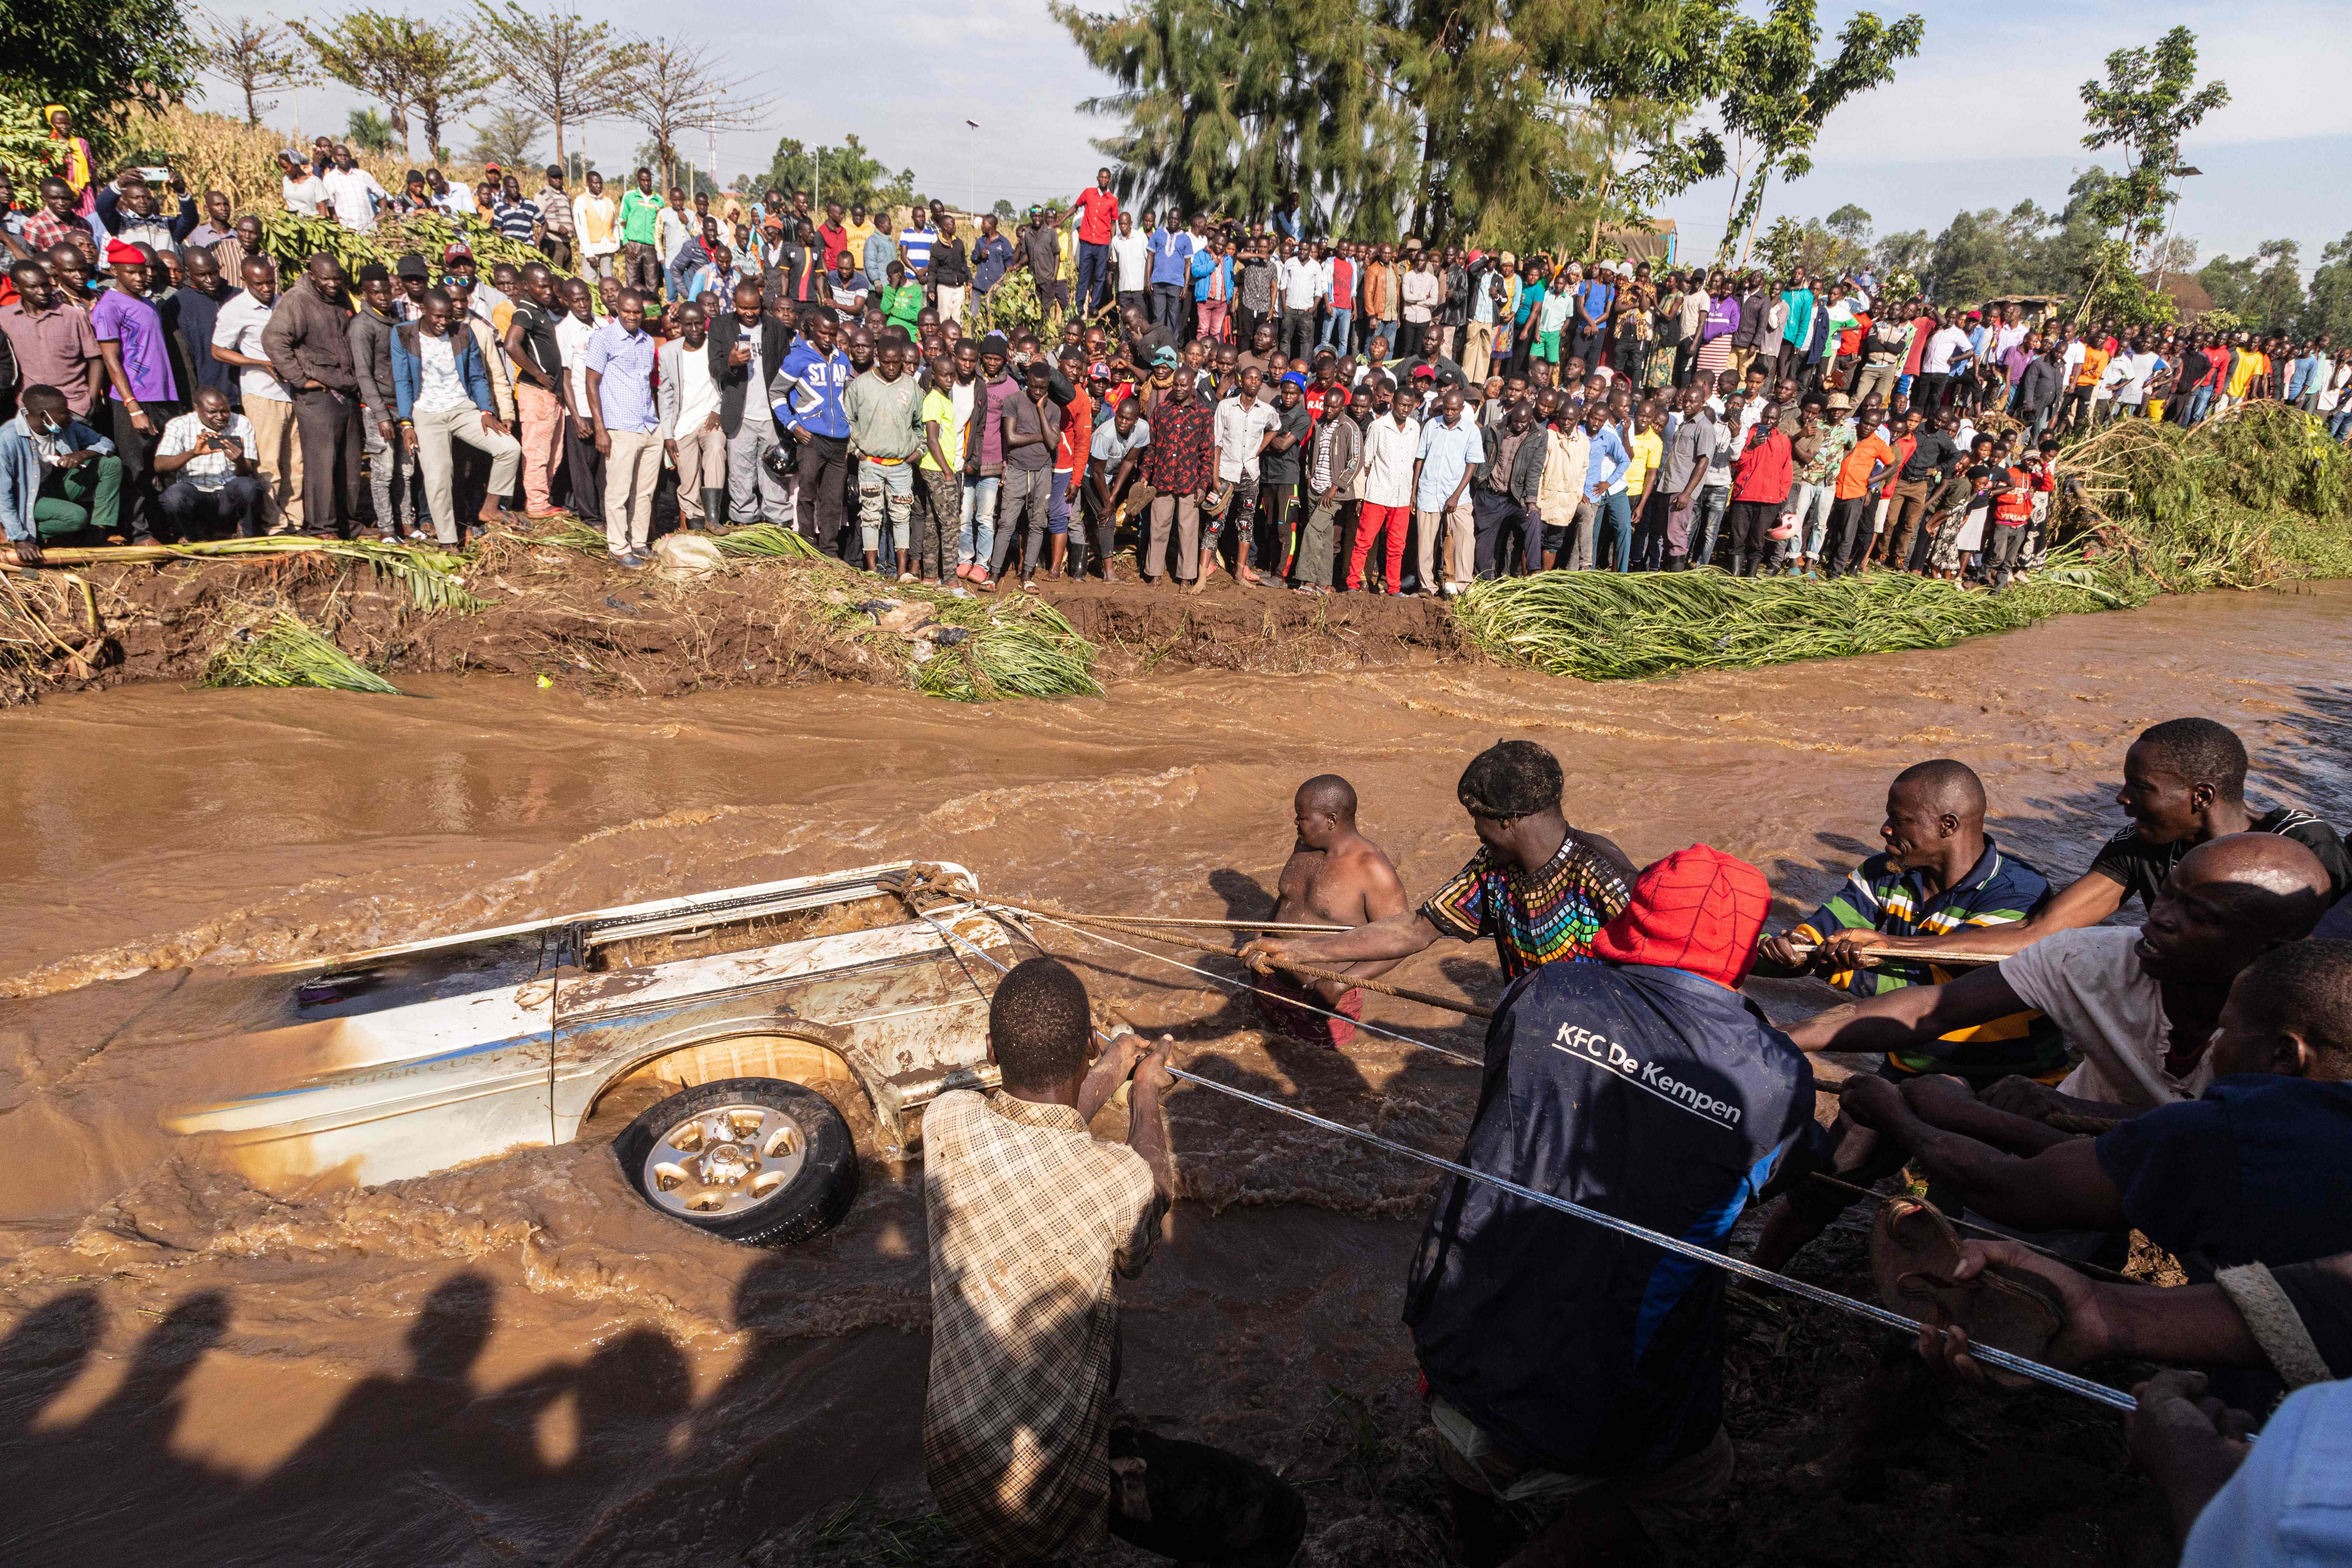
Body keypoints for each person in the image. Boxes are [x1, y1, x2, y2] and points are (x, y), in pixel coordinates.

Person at [1408, 845, 1813, 1568]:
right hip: (1609, 1401)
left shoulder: (1541, 992)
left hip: (1456, 1334)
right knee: (1700, 1474)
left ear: (1635, 914)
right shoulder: (1777, 1075)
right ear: (1746, 945)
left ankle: (1475, 1536)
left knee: (1468, 1415)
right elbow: (1787, 1171)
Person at [922, 956, 1304, 1566]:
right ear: (1082, 1049)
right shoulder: (1115, 1185)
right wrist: (1145, 1091)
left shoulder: (946, 1119)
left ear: (991, 1049)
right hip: (1042, 1490)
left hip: (952, 1458)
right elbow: (1149, 1192)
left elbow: (1041, 1127)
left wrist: (1105, 1069)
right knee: (1279, 1517)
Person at [1872, 718, 2352, 964]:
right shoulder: (2140, 846)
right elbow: (2036, 934)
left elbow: (2313, 965)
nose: (2121, 799)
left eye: (2140, 789)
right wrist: (1891, 947)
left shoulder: (2302, 845)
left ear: (2200, 796)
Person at [1245, 740, 1635, 987]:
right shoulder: (1492, 870)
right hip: (1525, 1032)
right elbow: (1415, 930)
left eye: (1477, 819)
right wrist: (1300, 951)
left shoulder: (1602, 875)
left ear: (1508, 818)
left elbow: (1661, 979)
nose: (1476, 832)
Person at [1246, 776, 1409, 1048]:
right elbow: (1286, 900)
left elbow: (1401, 941)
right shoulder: (1304, 845)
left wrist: (1339, 984)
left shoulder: (1371, 869)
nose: (1296, 823)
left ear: (1331, 821)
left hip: (1324, 1002)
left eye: (1302, 817)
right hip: (1269, 980)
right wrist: (1258, 938)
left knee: (1317, 1076)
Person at [391, 287, 520, 547]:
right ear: (424, 311)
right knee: (439, 476)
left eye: (448, 317)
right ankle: (449, 541)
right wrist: (406, 423)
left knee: (510, 448)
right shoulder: (403, 334)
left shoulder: (463, 332)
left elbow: (476, 376)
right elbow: (402, 380)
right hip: (426, 413)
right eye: (438, 317)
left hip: (463, 408)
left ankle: (491, 508)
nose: (444, 323)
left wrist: (486, 411)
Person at [260, 253, 364, 539]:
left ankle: (348, 524)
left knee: (350, 463)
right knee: (322, 464)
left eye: (337, 279)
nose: (333, 284)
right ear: (313, 276)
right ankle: (323, 527)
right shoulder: (298, 299)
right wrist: (301, 379)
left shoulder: (341, 297)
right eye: (327, 279)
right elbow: (273, 339)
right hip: (318, 395)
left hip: (347, 391)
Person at [707, 277, 793, 530]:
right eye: (744, 308)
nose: (750, 314)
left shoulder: (775, 328)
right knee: (741, 476)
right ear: (734, 304)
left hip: (771, 416)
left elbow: (785, 369)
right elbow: (715, 369)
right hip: (740, 415)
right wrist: (731, 363)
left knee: (774, 476)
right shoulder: (721, 326)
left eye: (755, 308)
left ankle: (778, 528)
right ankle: (746, 526)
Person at [582, 289, 660, 566]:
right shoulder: (603, 339)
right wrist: (600, 429)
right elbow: (591, 383)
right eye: (626, 311)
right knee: (618, 491)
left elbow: (646, 384)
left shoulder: (648, 341)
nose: (632, 316)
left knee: (645, 491)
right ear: (617, 309)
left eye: (637, 312)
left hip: (650, 425)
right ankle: (618, 546)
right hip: (620, 425)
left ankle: (638, 542)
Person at [1, 384, 122, 559]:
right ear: (45, 416)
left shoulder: (66, 427)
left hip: (53, 488)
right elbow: (2, 495)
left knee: (111, 463)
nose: (70, 416)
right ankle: (31, 536)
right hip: (27, 499)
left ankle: (97, 535)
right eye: (64, 412)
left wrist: (82, 454)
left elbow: (106, 443)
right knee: (77, 517)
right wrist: (21, 538)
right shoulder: (8, 438)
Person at [772, 306, 855, 558]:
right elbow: (776, 393)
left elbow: (850, 397)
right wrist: (793, 426)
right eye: (823, 333)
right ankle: (807, 546)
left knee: (833, 499)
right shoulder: (798, 358)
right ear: (812, 330)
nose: (828, 339)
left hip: (839, 440)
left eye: (832, 333)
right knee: (807, 493)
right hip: (810, 438)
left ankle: (829, 551)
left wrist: (850, 429)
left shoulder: (842, 359)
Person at [347, 263, 417, 541]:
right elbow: (363, 373)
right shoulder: (362, 327)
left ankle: (408, 525)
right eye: (377, 293)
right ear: (365, 293)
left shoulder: (394, 320)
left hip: (402, 407)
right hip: (380, 409)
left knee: (406, 470)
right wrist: (381, 415)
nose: (384, 297)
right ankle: (387, 528)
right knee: (384, 471)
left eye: (387, 292)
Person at [844, 338, 925, 575]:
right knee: (870, 516)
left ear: (903, 361)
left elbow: (919, 425)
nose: (891, 368)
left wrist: (919, 451)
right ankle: (871, 571)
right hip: (870, 463)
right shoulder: (861, 385)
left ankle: (902, 573)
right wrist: (857, 453)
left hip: (901, 465)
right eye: (886, 362)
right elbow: (848, 421)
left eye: (896, 363)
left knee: (902, 516)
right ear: (878, 358)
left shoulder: (911, 387)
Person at [153, 385, 263, 540]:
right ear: (197, 409)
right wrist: (193, 453)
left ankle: (246, 536)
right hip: (196, 493)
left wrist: (239, 461)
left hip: (228, 494)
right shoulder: (179, 425)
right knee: (174, 497)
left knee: (249, 487)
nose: (221, 416)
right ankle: (193, 539)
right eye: (212, 412)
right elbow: (160, 465)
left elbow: (246, 472)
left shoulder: (242, 423)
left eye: (225, 411)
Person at [655, 300, 728, 532]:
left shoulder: (715, 347)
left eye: (699, 323)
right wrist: (668, 434)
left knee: (716, 450)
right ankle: (697, 526)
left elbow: (729, 384)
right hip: (683, 425)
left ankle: (714, 518)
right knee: (688, 480)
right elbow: (665, 395)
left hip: (710, 419)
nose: (695, 329)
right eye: (689, 325)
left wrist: (719, 410)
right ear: (681, 325)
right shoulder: (669, 352)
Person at [1137, 364, 1212, 585]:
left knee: (1188, 532)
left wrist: (1203, 484)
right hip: (1162, 479)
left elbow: (1207, 453)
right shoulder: (1161, 411)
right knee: (1158, 527)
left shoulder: (1204, 414)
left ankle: (1186, 577)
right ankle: (1154, 573)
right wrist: (1145, 474)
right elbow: (1151, 447)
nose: (1179, 389)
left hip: (1190, 482)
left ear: (1193, 386)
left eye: (1184, 385)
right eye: (1176, 385)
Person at [2, 258, 103, 420]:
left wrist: (90, 400)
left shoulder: (73, 316)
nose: (42, 292)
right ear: (16, 288)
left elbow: (95, 359)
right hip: (29, 410)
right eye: (33, 287)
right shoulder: (4, 319)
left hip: (74, 408)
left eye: (45, 285)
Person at [1412, 387, 1483, 596]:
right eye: (1446, 409)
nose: (1449, 413)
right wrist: (1414, 491)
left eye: (1454, 410)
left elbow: (1472, 465)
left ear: (1462, 409)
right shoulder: (1431, 426)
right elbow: (1420, 460)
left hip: (1458, 496)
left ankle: (1464, 586)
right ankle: (1427, 586)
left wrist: (1456, 495)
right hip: (1428, 490)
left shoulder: (1471, 431)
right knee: (1425, 542)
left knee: (1465, 538)